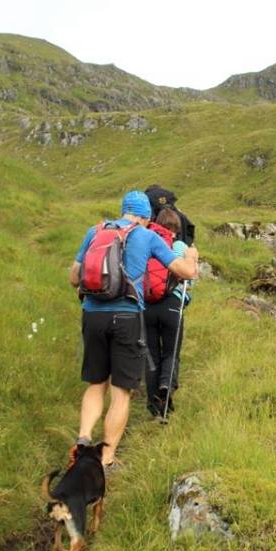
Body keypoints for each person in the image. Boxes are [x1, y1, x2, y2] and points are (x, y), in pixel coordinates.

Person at [67, 191, 199, 468]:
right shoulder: (147, 236)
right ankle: (106, 459)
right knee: (121, 391)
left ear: (123, 211)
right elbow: (185, 272)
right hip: (127, 317)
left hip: (92, 314)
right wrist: (192, 256)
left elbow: (74, 278)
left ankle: (84, 437)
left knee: (96, 383)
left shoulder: (95, 231)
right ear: (145, 217)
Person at [144, 208, 191, 417]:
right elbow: (191, 276)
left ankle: (154, 405)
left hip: (147, 305)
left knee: (151, 355)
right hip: (172, 304)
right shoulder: (180, 246)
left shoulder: (145, 242)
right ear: (175, 229)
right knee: (171, 352)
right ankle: (166, 386)